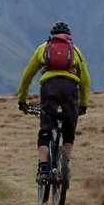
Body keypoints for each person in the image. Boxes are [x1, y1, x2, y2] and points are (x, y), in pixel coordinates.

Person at [16, 21, 91, 185]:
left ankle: (43, 168)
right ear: (69, 37)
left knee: (45, 129)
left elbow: (27, 75)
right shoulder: (75, 51)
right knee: (69, 131)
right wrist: (83, 104)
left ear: (52, 36)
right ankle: (65, 167)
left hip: (49, 88)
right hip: (70, 89)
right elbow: (85, 81)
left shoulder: (43, 48)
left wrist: (22, 99)